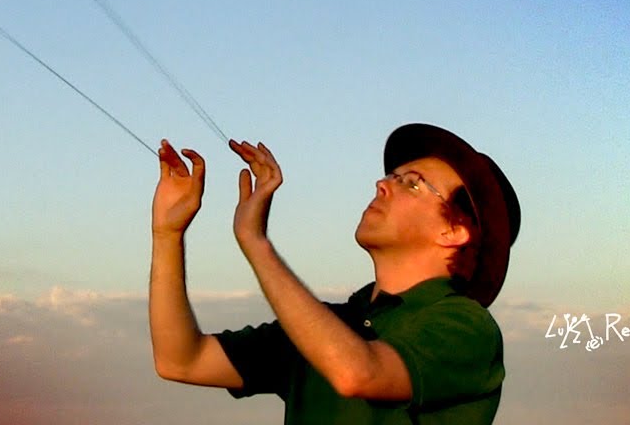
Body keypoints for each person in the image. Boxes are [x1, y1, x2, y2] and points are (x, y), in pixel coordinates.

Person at [149, 123, 521, 423]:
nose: (383, 184)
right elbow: (181, 359)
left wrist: (254, 240)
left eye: (412, 182)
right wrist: (167, 233)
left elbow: (357, 373)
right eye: (392, 175)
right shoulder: (327, 325)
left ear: (454, 232)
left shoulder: (466, 326)